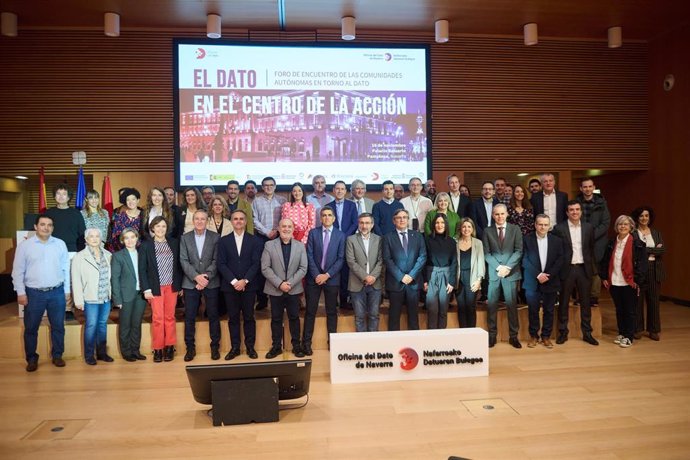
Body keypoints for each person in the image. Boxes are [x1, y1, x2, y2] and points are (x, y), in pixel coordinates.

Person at [12, 214, 70, 372]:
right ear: (36, 227)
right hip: (33, 294)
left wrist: (67, 291)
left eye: (50, 225)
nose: (46, 227)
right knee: (31, 328)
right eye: (43, 224)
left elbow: (66, 269)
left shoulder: (60, 244)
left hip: (56, 292)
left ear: (53, 228)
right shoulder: (25, 246)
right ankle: (31, 359)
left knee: (58, 326)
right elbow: (17, 271)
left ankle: (57, 355)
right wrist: (21, 292)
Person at [217, 209, 263, 360]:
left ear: (245, 221)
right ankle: (235, 347)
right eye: (235, 219)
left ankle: (250, 347)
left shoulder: (255, 240)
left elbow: (256, 263)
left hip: (249, 286)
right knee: (233, 318)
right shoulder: (223, 241)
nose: (238, 221)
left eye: (241, 219)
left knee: (249, 317)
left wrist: (245, 281)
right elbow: (221, 264)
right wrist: (235, 281)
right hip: (230, 287)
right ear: (231, 221)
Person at [553, 200, 598, 346]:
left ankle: (587, 333)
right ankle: (563, 333)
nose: (574, 212)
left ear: (581, 211)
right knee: (564, 302)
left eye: (577, 209)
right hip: (567, 269)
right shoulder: (559, 228)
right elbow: (557, 252)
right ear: (567, 212)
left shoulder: (588, 228)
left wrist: (592, 268)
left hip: (584, 269)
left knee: (586, 302)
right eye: (571, 210)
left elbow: (590, 249)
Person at [261, 218, 308, 359]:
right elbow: (265, 267)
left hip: (293, 289)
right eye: (283, 226)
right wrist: (280, 283)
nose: (286, 229)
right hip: (275, 289)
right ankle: (276, 347)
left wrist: (290, 283)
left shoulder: (300, 246)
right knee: (276, 319)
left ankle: (296, 346)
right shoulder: (269, 245)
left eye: (289, 226)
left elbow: (303, 268)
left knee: (294, 318)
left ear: (293, 229)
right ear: (278, 228)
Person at [600, 215, 648, 348]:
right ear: (616, 227)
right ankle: (621, 333)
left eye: (626, 224)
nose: (623, 226)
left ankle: (629, 336)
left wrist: (638, 280)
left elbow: (643, 265)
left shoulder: (638, 244)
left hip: (630, 282)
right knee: (619, 309)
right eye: (620, 224)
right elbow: (606, 261)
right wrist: (604, 277)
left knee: (630, 311)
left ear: (631, 227)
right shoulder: (611, 242)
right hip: (614, 281)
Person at [179, 210, 220, 362]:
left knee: (213, 316)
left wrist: (206, 277)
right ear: (193, 220)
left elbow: (217, 260)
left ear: (207, 220)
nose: (200, 221)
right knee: (190, 316)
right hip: (191, 283)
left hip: (211, 281)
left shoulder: (215, 237)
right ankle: (190, 348)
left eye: (203, 219)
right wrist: (196, 277)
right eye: (197, 219)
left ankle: (215, 346)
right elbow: (183, 260)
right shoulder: (185, 238)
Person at [303, 207, 346, 353]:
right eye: (324, 215)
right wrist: (317, 275)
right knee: (310, 311)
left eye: (329, 215)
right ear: (320, 218)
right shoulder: (313, 233)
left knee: (332, 311)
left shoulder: (341, 235)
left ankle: (332, 342)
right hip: (313, 279)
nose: (327, 218)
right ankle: (306, 343)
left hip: (332, 279)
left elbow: (341, 259)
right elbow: (308, 255)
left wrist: (327, 275)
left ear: (334, 218)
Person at [139, 216, 182, 362]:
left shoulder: (174, 243)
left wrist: (179, 284)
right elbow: (142, 269)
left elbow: (179, 265)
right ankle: (158, 348)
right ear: (152, 228)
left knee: (170, 317)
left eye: (163, 226)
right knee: (157, 318)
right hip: (155, 288)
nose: (160, 229)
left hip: (171, 286)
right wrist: (146, 289)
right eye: (157, 226)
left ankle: (169, 347)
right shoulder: (146, 245)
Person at [483, 204, 523, 348]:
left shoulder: (515, 229)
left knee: (512, 305)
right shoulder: (487, 231)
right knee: (492, 305)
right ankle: (492, 336)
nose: (499, 217)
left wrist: (507, 267)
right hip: (494, 272)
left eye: (502, 214)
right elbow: (486, 253)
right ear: (493, 215)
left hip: (510, 273)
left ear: (507, 214)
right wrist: (499, 267)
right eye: (496, 214)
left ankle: (514, 336)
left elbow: (518, 251)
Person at [71, 227, 113, 365]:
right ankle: (89, 355)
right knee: (91, 325)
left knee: (102, 325)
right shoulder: (79, 257)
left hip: (105, 297)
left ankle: (101, 353)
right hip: (90, 298)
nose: (94, 239)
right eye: (91, 236)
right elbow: (75, 279)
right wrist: (78, 300)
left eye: (97, 236)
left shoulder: (108, 255)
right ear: (86, 239)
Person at [522, 215, 564, 348]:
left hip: (550, 281)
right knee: (533, 310)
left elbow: (560, 260)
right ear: (535, 225)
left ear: (549, 226)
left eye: (546, 225)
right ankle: (534, 336)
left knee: (549, 310)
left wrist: (548, 275)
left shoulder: (557, 241)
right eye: (540, 224)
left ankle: (546, 336)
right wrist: (538, 274)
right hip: (532, 282)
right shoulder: (527, 240)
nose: (543, 227)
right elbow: (524, 260)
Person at [383, 209, 427, 331]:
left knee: (413, 317)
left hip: (413, 283)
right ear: (394, 221)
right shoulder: (387, 237)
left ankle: (415, 345)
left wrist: (411, 275)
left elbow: (422, 257)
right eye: (399, 217)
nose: (402, 220)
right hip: (396, 283)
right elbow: (387, 259)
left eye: (404, 217)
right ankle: (393, 346)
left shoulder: (417, 236)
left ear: (408, 220)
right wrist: (401, 276)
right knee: (394, 317)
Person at [111, 227, 147, 362]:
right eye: (126, 238)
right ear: (122, 240)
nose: (130, 240)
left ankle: (135, 350)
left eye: (132, 237)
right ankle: (126, 352)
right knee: (125, 325)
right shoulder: (118, 256)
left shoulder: (142, 253)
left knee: (136, 324)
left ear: (137, 239)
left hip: (140, 294)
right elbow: (115, 278)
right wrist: (117, 299)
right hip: (125, 295)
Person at [253, 176, 287, 310]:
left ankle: (283, 299)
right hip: (262, 238)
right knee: (263, 269)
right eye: (265, 185)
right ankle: (262, 300)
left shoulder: (282, 200)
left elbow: (285, 219)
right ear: (262, 187)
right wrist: (267, 232)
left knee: (281, 268)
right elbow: (254, 220)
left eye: (271, 185)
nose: (268, 187)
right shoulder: (256, 201)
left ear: (275, 186)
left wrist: (277, 231)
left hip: (280, 238)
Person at [632, 206, 665, 341]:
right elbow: (635, 252)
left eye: (646, 216)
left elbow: (662, 250)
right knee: (637, 300)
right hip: (639, 270)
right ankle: (638, 329)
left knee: (653, 300)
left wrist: (645, 250)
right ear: (637, 218)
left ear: (649, 218)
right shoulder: (633, 233)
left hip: (654, 269)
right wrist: (652, 250)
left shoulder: (656, 233)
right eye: (641, 216)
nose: (644, 218)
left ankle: (654, 330)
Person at [346, 212, 383, 332]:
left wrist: (373, 277)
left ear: (372, 225)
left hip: (375, 283)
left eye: (367, 223)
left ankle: (372, 344)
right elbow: (351, 261)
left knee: (374, 315)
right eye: (361, 223)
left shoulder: (379, 240)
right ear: (358, 224)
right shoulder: (351, 239)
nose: (364, 226)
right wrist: (365, 277)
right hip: (357, 283)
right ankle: (361, 345)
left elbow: (381, 261)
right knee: (359, 316)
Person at [576, 177, 610, 306]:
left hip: (597, 242)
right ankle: (581, 296)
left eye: (590, 186)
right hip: (580, 241)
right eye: (585, 187)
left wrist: (591, 235)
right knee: (580, 270)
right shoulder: (576, 203)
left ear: (594, 187)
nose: (587, 189)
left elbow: (605, 223)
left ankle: (593, 297)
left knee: (595, 271)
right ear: (581, 188)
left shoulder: (602, 203)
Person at [325, 180, 358, 308]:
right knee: (332, 269)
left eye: (342, 189)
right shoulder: (328, 206)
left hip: (347, 240)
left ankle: (344, 300)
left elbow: (355, 223)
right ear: (333, 190)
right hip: (331, 241)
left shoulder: (352, 205)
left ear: (346, 191)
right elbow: (326, 222)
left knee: (345, 271)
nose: (339, 191)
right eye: (337, 189)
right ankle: (333, 301)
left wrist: (343, 235)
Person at [424, 214, 457, 329]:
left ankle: (442, 338)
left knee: (443, 309)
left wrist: (452, 281)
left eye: (442, 223)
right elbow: (424, 260)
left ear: (446, 225)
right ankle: (432, 339)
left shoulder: (452, 241)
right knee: (432, 309)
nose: (440, 225)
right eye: (437, 223)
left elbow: (454, 262)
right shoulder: (427, 239)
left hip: (446, 276)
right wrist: (425, 281)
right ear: (434, 225)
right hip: (431, 275)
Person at [455, 218, 485, 328]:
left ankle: (472, 333)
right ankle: (463, 333)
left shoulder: (478, 243)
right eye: (464, 226)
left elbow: (481, 262)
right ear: (460, 228)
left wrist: (479, 280)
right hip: (458, 278)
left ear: (472, 229)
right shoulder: (455, 242)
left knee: (470, 306)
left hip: (472, 278)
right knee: (461, 306)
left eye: (469, 226)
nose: (466, 229)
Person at [46, 183, 86, 253]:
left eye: (64, 194)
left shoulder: (76, 213)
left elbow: (82, 233)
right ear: (54, 196)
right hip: (52, 249)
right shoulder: (48, 213)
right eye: (58, 193)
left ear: (68, 197)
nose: (61, 196)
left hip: (72, 250)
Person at [109, 187, 142, 252]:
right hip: (123, 251)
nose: (131, 202)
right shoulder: (120, 217)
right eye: (128, 200)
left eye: (133, 199)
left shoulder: (144, 215)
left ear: (138, 200)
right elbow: (115, 237)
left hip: (141, 251)